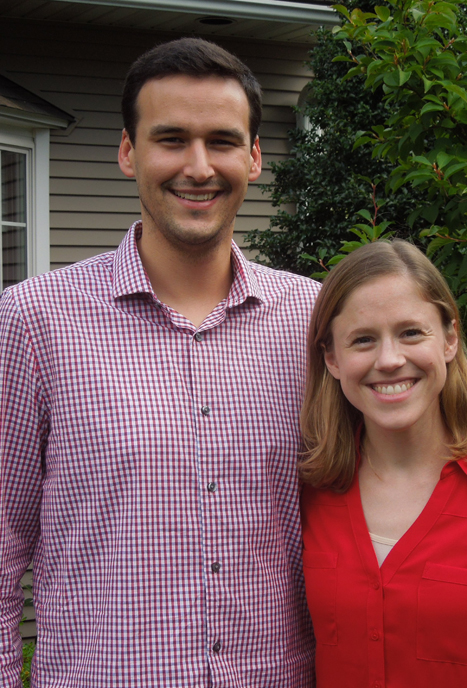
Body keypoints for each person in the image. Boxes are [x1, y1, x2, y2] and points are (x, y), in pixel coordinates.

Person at [0, 38, 319, 687]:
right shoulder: (34, 321)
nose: (198, 167)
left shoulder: (312, 320)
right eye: (171, 139)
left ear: (255, 156)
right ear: (129, 152)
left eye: (222, 141)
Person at [300, 239, 467, 687]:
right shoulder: (307, 496)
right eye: (363, 340)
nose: (390, 360)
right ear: (332, 358)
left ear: (450, 338)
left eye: (411, 332)